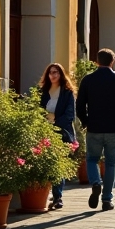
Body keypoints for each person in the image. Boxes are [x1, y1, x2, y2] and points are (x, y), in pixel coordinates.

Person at [75, 49, 115, 212]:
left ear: (97, 61)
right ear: (112, 61)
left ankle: (96, 183)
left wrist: (86, 122)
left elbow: (79, 106)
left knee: (92, 159)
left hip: (94, 127)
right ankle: (107, 199)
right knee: (111, 163)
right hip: (114, 128)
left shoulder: (88, 80)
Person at [38, 63, 76, 210]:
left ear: (61, 75)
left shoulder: (67, 93)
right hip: (45, 132)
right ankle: (45, 194)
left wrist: (55, 120)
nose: (52, 75)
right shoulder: (42, 91)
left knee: (58, 163)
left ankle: (57, 197)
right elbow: (37, 110)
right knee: (46, 163)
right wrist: (43, 120)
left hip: (61, 132)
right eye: (50, 72)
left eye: (55, 72)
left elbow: (70, 115)